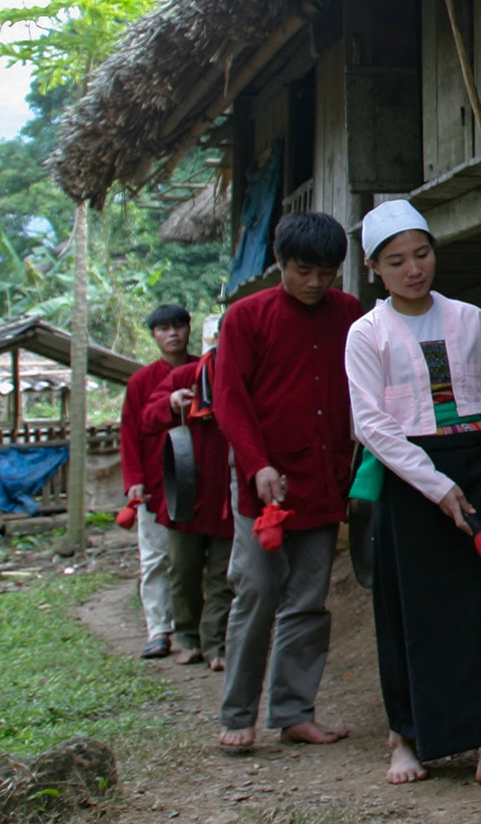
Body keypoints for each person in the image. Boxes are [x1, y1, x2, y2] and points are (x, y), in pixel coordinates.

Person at [345, 198, 481, 787]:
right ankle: (404, 738)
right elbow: (372, 424)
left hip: (475, 464)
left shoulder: (466, 317)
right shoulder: (368, 333)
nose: (414, 269)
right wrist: (434, 485)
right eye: (397, 261)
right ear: (373, 269)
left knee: (478, 609)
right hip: (409, 476)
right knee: (409, 608)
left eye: (422, 253)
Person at [211, 211, 361, 751]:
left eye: (326, 272)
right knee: (255, 592)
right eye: (303, 271)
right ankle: (237, 714)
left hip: (322, 479)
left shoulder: (348, 313)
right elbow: (230, 402)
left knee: (307, 600)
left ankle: (294, 711)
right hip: (264, 483)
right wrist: (257, 465)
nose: (316, 283)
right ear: (280, 263)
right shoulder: (246, 318)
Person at [146, 343, 235, 670]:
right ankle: (186, 638)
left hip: (229, 495)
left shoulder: (248, 374)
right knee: (182, 571)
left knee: (223, 577)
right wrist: (170, 403)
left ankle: (216, 645)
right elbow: (147, 417)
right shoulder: (188, 375)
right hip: (186, 493)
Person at [119, 304, 195, 659]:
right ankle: (158, 630)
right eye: (163, 328)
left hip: (197, 482)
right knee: (154, 559)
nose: (172, 334)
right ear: (153, 335)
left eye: (178, 326)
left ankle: (193, 631)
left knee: (195, 560)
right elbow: (130, 434)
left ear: (188, 329)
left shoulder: (205, 370)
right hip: (154, 481)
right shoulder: (141, 381)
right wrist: (133, 481)